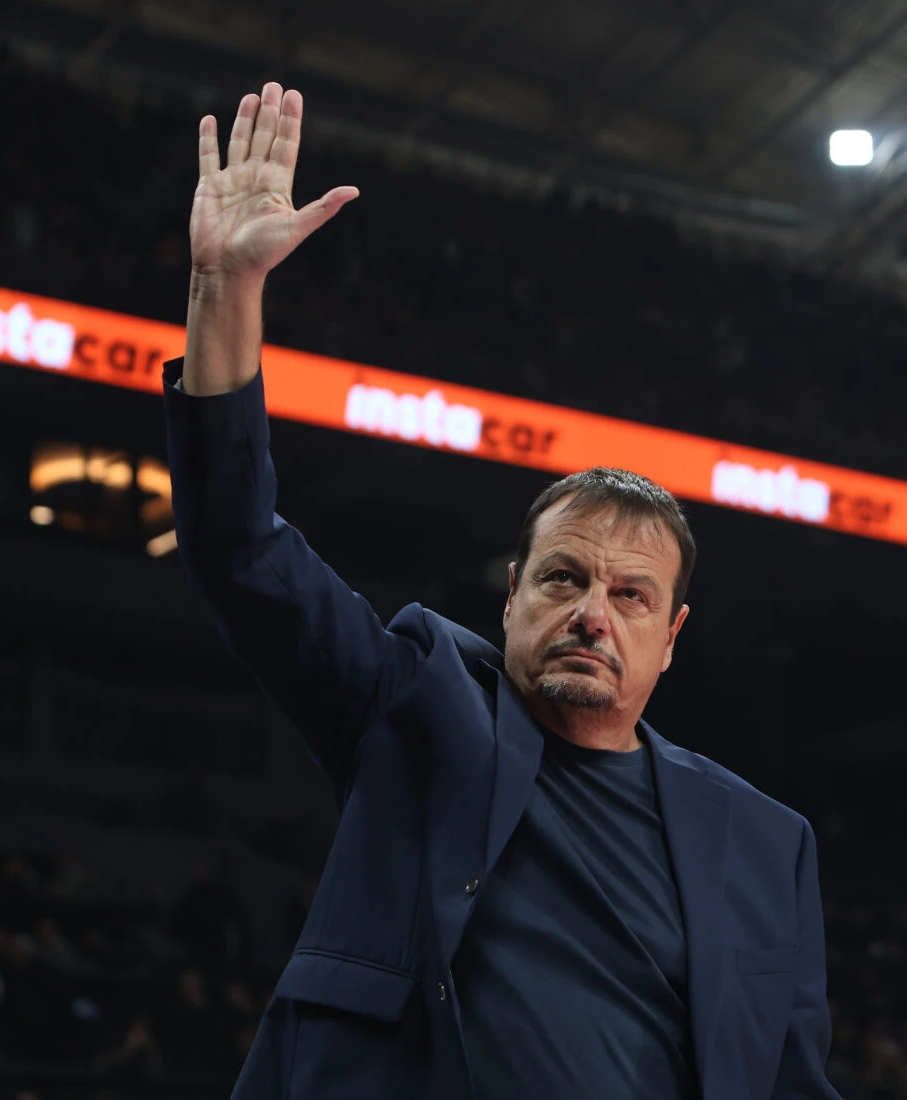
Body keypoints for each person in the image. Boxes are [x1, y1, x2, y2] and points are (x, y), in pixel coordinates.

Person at [165, 81, 839, 1099]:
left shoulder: (765, 842)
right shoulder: (412, 705)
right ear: (514, 591)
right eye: (564, 578)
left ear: (671, 636)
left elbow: (789, 1081)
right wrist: (227, 289)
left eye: (629, 595)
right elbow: (240, 549)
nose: (591, 613)